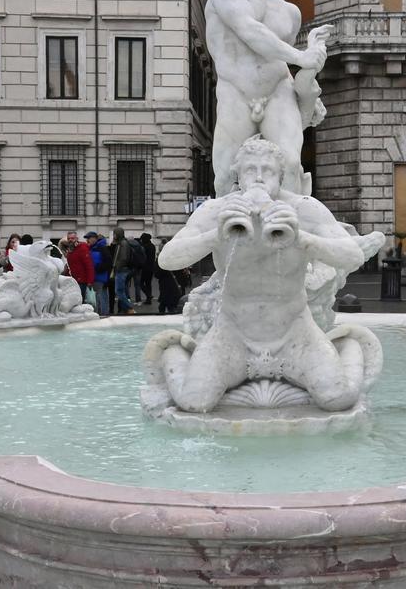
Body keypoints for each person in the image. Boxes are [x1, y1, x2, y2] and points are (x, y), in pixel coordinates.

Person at [157, 135, 368, 412]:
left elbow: (354, 256)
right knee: (194, 402)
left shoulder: (305, 208)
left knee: (339, 399)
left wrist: (303, 238)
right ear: (238, 177)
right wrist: (216, 235)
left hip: (294, 332)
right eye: (250, 170)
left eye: (267, 170)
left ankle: (347, 346)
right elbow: (168, 259)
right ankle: (175, 352)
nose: (258, 178)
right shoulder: (216, 210)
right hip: (233, 333)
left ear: (280, 177)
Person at [204, 0, 332, 196]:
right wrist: (302, 57)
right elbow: (251, 32)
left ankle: (289, 228)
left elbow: (277, 59)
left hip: (278, 91)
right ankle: (232, 228)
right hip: (236, 92)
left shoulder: (291, 13)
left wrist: (308, 92)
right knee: (225, 175)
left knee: (291, 164)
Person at [86, 231, 111, 316]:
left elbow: (108, 262)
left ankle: (102, 315)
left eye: (89, 238)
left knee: (100, 297)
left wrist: (96, 268)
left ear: (94, 238)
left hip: (100, 276)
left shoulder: (101, 248)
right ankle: (101, 314)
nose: (87, 240)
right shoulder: (93, 248)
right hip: (97, 276)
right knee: (99, 297)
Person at [112, 228, 136, 314]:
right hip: (123, 270)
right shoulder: (121, 243)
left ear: (117, 234)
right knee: (124, 291)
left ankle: (130, 307)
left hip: (122, 271)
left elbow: (123, 258)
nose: (113, 236)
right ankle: (125, 310)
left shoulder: (123, 243)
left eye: (114, 234)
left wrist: (117, 267)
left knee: (119, 291)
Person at [67, 234, 95, 300]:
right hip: (74, 281)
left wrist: (90, 281)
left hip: (82, 281)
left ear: (76, 239)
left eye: (72, 238)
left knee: (81, 301)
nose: (70, 240)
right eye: (69, 238)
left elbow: (89, 266)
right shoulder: (70, 250)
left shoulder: (82, 248)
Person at [138, 233, 156, 305]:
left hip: (145, 267)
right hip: (151, 267)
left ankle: (149, 295)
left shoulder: (144, 247)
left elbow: (142, 257)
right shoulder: (152, 246)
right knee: (148, 284)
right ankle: (149, 300)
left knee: (141, 283)